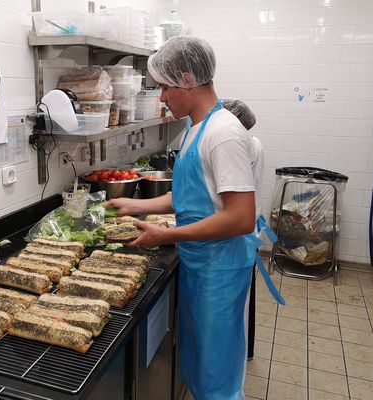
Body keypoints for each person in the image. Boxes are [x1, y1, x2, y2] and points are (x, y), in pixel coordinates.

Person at [107, 36, 284, 400]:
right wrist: (135, 207)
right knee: (201, 364)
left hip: (219, 268)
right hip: (202, 262)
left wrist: (164, 236)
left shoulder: (222, 134)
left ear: (188, 79)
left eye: (164, 87)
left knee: (216, 377)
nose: (161, 97)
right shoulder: (195, 128)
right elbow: (191, 196)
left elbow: (240, 218)